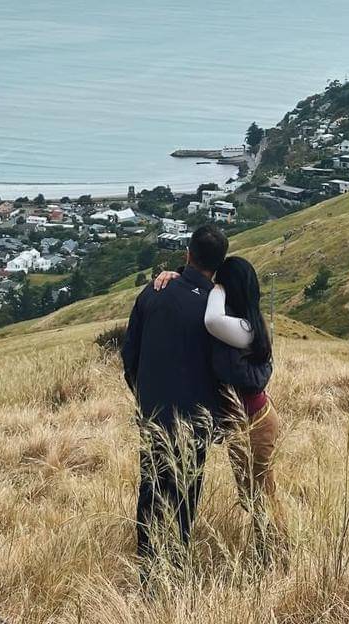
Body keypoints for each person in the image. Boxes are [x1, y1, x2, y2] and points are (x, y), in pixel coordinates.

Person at [154, 254, 284, 561]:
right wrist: (178, 278)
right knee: (252, 495)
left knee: (261, 494)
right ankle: (270, 554)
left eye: (221, 284)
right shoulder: (239, 321)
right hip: (244, 423)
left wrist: (213, 287)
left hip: (254, 423)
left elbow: (211, 320)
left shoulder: (243, 327)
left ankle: (278, 557)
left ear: (228, 287)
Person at [121, 222, 229, 576]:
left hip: (154, 411)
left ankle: (147, 565)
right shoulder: (217, 310)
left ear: (187, 254)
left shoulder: (153, 293)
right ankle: (177, 563)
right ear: (219, 263)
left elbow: (130, 354)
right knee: (186, 490)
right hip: (196, 418)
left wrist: (142, 393)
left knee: (151, 484)